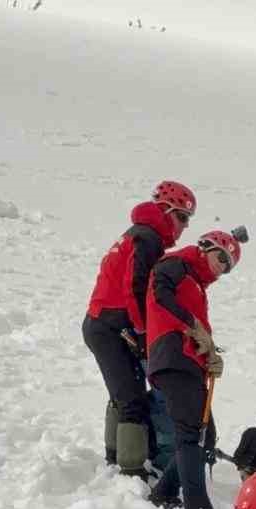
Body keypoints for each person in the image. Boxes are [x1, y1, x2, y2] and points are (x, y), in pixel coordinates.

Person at [83, 181, 196, 477]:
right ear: (166, 210)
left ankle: (116, 455)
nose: (185, 226)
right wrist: (144, 333)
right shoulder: (147, 238)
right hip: (110, 326)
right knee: (131, 399)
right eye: (182, 217)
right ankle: (131, 471)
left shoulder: (141, 234)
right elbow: (135, 289)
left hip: (106, 323)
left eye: (188, 219)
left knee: (124, 390)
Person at [146, 230, 242, 509]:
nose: (223, 267)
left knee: (206, 435)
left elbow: (198, 330)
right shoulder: (179, 264)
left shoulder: (197, 285)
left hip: (188, 362)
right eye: (222, 257)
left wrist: (210, 356)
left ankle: (163, 492)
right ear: (205, 247)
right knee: (191, 434)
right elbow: (160, 293)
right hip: (173, 356)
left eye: (229, 265)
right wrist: (193, 325)